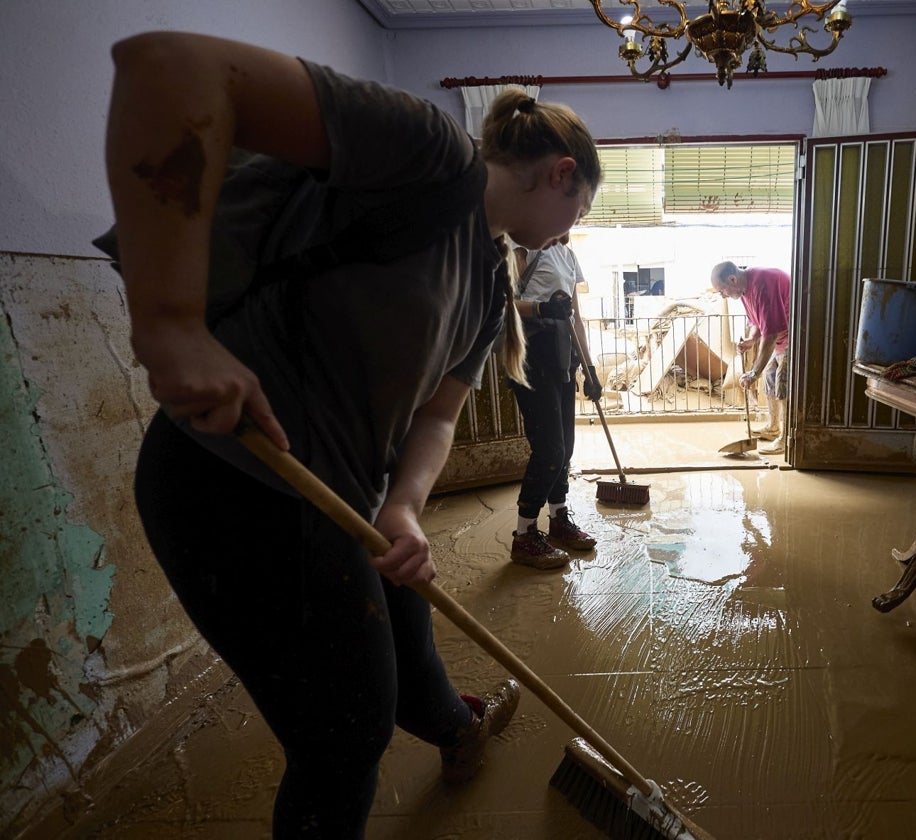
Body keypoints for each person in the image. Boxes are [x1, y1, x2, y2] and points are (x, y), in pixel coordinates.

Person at [102, 31, 600, 838]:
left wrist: (405, 508)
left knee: (407, 638)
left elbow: (437, 417)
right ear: (561, 174)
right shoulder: (430, 155)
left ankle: (456, 728)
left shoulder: (485, 287)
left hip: (352, 503)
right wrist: (170, 325)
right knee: (344, 736)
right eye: (579, 211)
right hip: (240, 481)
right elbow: (168, 65)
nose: (571, 229)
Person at [507, 235, 603, 569]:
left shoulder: (568, 255)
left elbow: (575, 317)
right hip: (531, 355)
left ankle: (558, 519)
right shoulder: (520, 250)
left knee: (567, 447)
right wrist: (542, 308)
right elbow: (499, 303)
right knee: (550, 449)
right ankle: (525, 535)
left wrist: (590, 368)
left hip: (563, 355)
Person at [710, 261, 792, 455]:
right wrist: (751, 340)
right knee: (770, 377)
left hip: (794, 337)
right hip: (781, 338)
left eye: (722, 290)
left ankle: (786, 439)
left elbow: (770, 335)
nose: (723, 295)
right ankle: (773, 428)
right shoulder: (745, 290)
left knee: (783, 384)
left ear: (732, 279)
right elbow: (757, 322)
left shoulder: (762, 284)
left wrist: (754, 372)